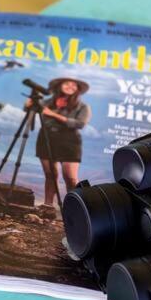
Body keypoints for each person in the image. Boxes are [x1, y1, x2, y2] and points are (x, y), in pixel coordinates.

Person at [25, 77, 91, 215]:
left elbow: (79, 124)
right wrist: (28, 104)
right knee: (50, 174)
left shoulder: (83, 106)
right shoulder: (47, 102)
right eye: (67, 83)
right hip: (46, 138)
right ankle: (48, 206)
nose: (70, 87)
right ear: (60, 85)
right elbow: (30, 109)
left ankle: (75, 207)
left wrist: (53, 115)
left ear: (78, 90)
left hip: (69, 141)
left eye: (74, 85)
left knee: (70, 177)